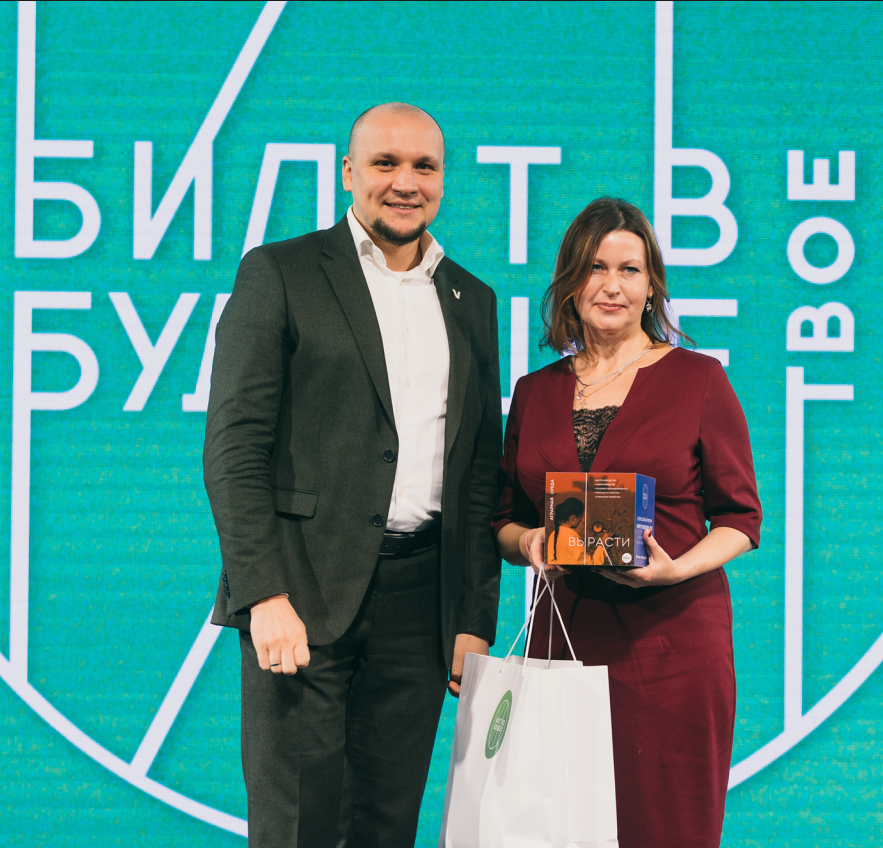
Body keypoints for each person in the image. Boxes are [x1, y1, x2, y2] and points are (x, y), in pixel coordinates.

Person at [203, 102, 502, 847]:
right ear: (347, 172)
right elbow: (234, 448)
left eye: (424, 167)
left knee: (386, 827)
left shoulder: (472, 299)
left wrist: (472, 617)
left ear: (443, 180)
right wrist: (261, 593)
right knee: (298, 828)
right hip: (300, 593)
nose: (405, 182)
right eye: (385, 163)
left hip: (421, 605)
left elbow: (477, 472)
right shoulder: (282, 272)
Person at [492, 197, 761, 848]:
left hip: (672, 645)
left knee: (664, 829)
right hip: (563, 642)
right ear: (569, 283)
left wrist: (675, 568)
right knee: (556, 831)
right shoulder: (534, 390)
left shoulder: (698, 379)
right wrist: (529, 541)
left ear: (650, 287)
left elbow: (740, 517)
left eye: (629, 270)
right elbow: (503, 519)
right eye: (594, 268)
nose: (611, 285)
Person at [546, 497, 586, 565]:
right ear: (573, 518)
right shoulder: (573, 538)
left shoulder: (553, 534)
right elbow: (590, 563)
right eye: (581, 517)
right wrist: (601, 545)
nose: (581, 520)